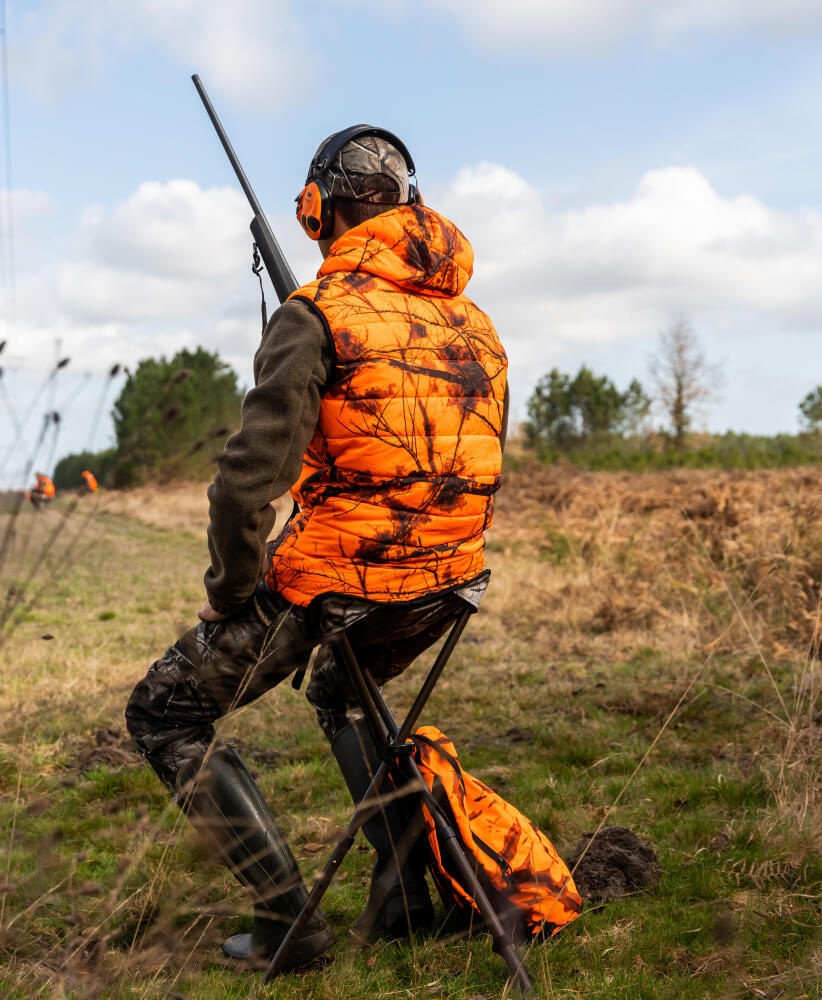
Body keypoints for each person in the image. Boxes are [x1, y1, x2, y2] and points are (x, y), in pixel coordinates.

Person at [125, 127, 509, 971]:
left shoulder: (316, 316)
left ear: (316, 212)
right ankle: (405, 896)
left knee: (163, 713)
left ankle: (286, 924)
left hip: (345, 582)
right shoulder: (474, 323)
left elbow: (243, 485)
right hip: (449, 582)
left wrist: (232, 594)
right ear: (410, 206)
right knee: (343, 685)